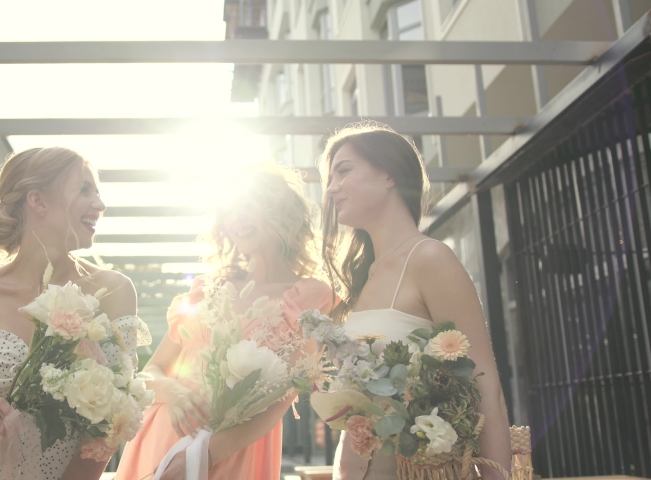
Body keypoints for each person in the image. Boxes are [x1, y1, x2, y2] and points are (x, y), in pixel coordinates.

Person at [0, 147, 142, 480]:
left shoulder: (113, 291)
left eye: (96, 192)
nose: (99, 204)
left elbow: (112, 422)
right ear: (38, 201)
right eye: (84, 190)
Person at [114, 164, 334, 480]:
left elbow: (279, 401)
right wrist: (174, 392)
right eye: (230, 211)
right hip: (162, 436)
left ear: (279, 210)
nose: (237, 219)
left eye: (248, 207)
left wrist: (200, 457)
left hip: (228, 453)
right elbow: (151, 371)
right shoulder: (207, 289)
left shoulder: (309, 297)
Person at [319, 123, 511, 480]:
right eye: (329, 179)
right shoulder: (365, 275)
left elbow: (486, 387)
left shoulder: (430, 259)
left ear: (388, 174)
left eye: (343, 171)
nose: (331, 189)